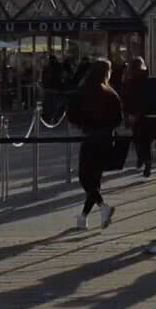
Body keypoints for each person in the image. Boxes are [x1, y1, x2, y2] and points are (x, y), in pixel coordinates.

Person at [65, 58, 123, 230]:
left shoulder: (82, 92)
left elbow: (72, 115)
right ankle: (87, 215)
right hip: (105, 138)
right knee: (94, 179)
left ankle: (97, 210)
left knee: (85, 178)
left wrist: (83, 124)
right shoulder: (111, 94)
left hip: (89, 137)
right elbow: (118, 119)